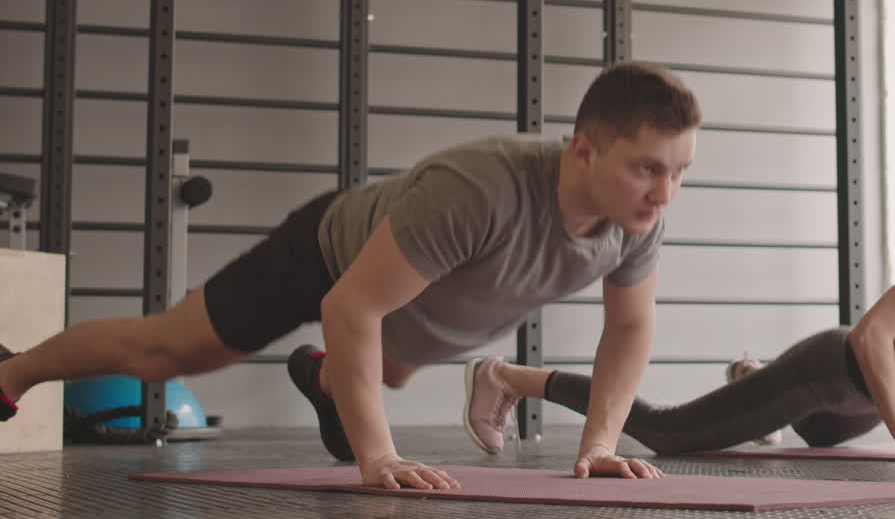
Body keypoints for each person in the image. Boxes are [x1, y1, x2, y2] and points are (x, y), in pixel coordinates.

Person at [0, 61, 700, 488]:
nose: (664, 193)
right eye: (646, 167)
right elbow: (351, 307)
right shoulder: (479, 189)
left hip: (418, 314)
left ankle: (325, 377)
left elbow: (630, 328)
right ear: (582, 151)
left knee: (389, 368)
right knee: (167, 351)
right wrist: (379, 458)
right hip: (328, 255)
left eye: (678, 172)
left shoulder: (640, 222)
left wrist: (600, 447)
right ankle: (11, 372)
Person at [462, 127, 895, 458]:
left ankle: (753, 375)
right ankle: (505, 375)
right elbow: (871, 334)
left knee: (819, 441)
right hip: (829, 371)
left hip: (854, 411)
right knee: (666, 433)